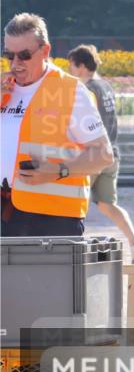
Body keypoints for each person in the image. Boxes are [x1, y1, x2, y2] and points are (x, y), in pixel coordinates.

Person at [1, 13, 114, 237]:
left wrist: (59, 170)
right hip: (6, 212)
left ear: (45, 51)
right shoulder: (4, 87)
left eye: (24, 56)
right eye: (8, 55)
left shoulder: (71, 91)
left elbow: (103, 155)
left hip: (52, 220)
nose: (15, 64)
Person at [67, 44, 134, 263]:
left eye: (71, 65)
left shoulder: (87, 90)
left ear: (81, 66)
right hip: (112, 153)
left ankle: (72, 250)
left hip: (94, 156)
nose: (70, 70)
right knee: (106, 204)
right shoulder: (106, 86)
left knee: (74, 202)